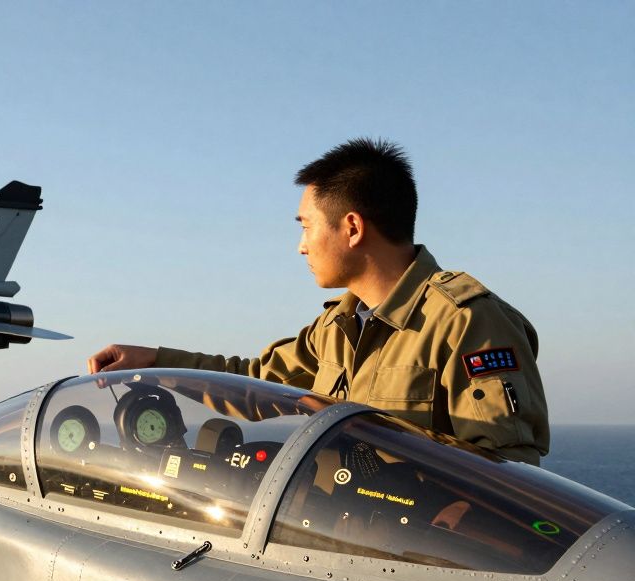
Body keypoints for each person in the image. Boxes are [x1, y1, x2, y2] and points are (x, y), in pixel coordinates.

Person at [88, 139, 548, 464]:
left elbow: (507, 470)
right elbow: (257, 381)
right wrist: (154, 361)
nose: (301, 246)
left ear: (352, 227)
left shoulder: (468, 322)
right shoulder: (338, 328)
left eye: (306, 226)